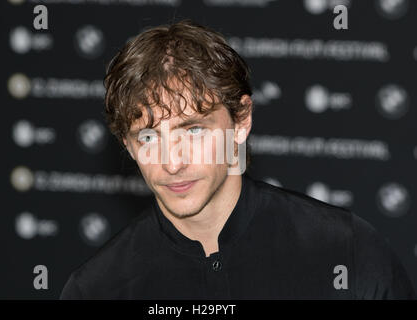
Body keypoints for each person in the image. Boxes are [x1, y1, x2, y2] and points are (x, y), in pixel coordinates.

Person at [60, 19, 415, 299]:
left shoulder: (346, 251)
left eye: (193, 130)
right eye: (149, 137)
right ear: (128, 144)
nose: (172, 163)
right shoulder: (96, 289)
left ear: (241, 121)